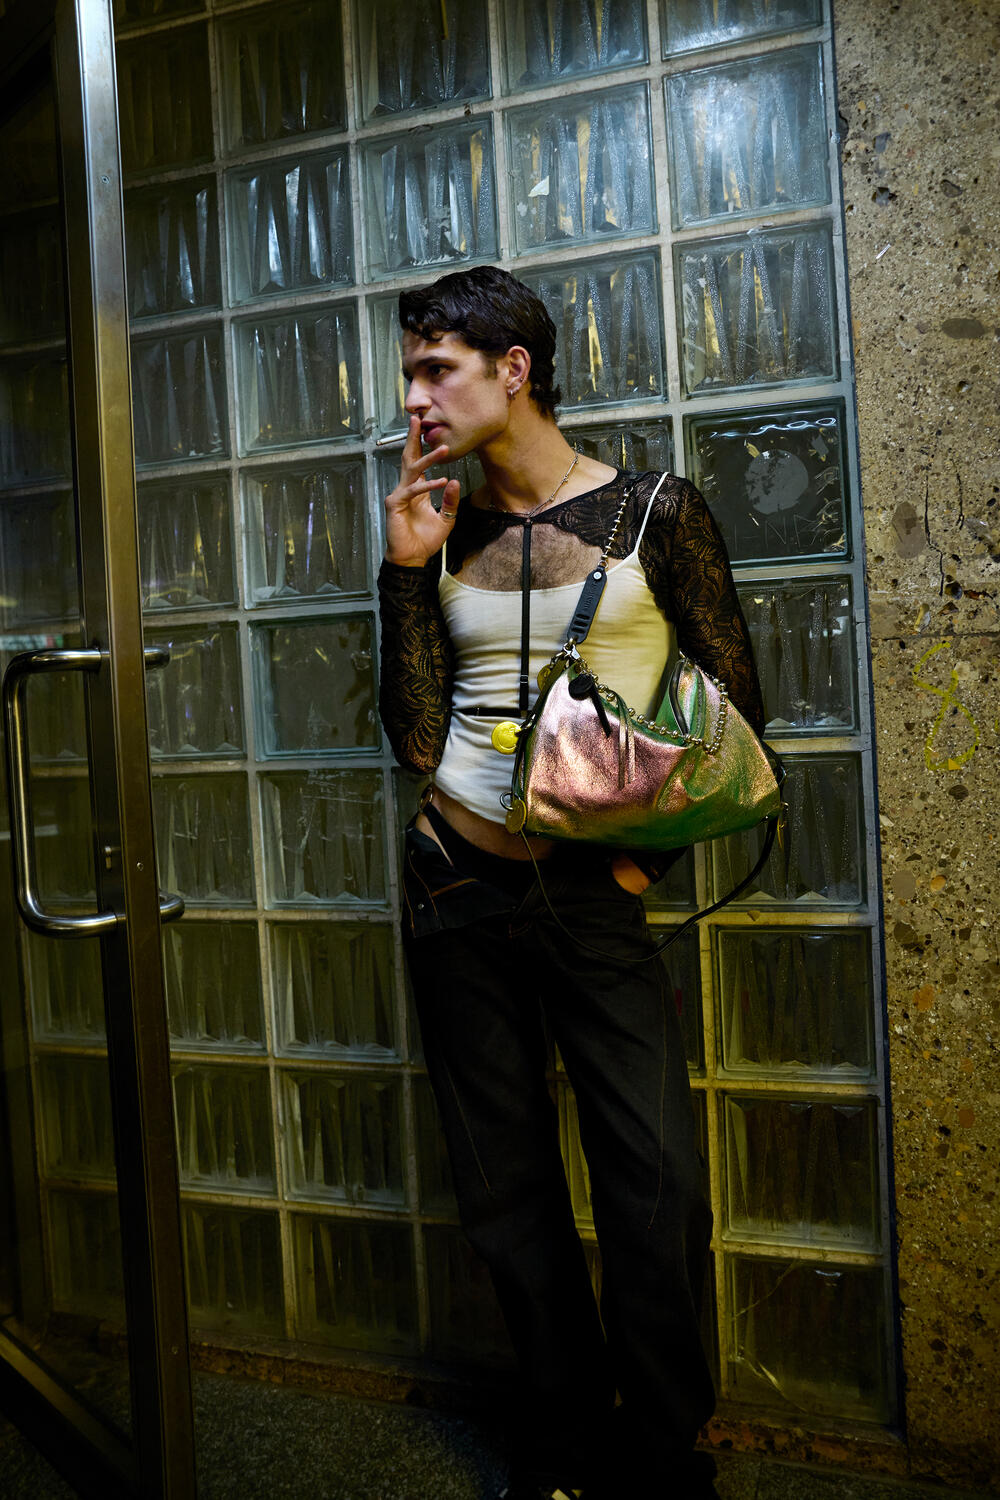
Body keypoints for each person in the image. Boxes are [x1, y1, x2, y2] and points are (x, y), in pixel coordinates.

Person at [377, 266, 764, 1500]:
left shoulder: (656, 513)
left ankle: (659, 1458)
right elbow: (414, 735)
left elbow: (734, 715)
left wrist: (642, 859)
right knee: (505, 1192)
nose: (416, 399)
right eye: (410, 374)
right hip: (454, 889)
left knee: (650, 1183)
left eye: (435, 369)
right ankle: (558, 1441)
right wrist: (403, 572)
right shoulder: (443, 527)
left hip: (597, 897)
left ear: (513, 370)